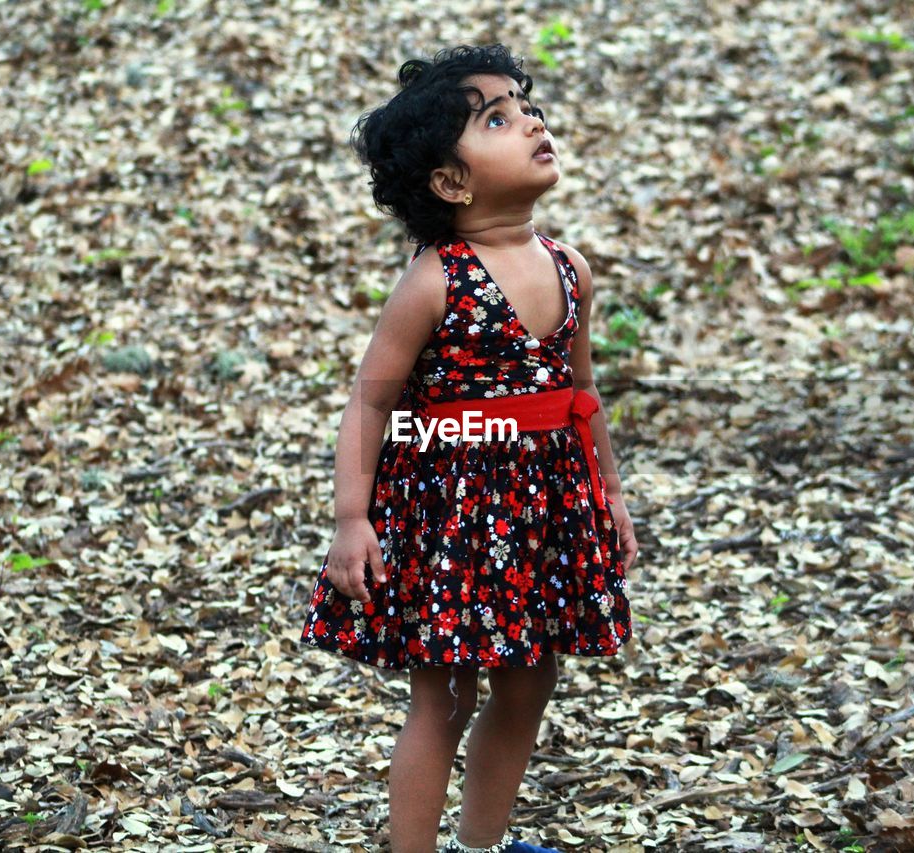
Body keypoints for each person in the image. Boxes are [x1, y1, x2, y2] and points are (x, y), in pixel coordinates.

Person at [297, 43, 640, 853]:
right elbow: (371, 398)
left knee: (530, 683)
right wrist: (353, 518)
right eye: (497, 117)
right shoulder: (436, 280)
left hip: (546, 511)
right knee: (445, 694)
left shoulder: (570, 268)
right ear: (451, 182)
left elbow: (580, 395)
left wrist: (612, 495)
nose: (530, 120)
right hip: (454, 516)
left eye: (527, 105)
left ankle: (482, 845)